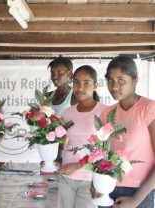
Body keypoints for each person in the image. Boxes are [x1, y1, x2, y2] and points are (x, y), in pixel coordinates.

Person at [93, 56, 155, 208]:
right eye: (110, 80)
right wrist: (94, 184)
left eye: (121, 80)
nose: (114, 86)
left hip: (139, 191)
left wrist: (136, 200)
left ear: (135, 81)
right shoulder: (107, 113)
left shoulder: (149, 109)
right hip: (107, 187)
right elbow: (101, 153)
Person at [57, 65, 107, 208]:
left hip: (89, 178)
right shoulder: (67, 113)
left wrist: (77, 166)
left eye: (86, 83)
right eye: (77, 82)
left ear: (95, 85)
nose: (80, 87)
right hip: (66, 174)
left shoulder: (104, 112)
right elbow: (62, 138)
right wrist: (57, 158)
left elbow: (105, 150)